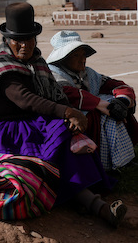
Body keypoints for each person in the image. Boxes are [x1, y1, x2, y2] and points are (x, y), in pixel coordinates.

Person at [0, 2, 127, 227]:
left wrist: (68, 114)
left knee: (63, 132)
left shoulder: (37, 62)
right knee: (49, 149)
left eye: (29, 39)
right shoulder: (1, 65)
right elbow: (26, 99)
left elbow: (54, 93)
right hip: (2, 130)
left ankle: (84, 193)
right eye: (18, 40)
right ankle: (94, 204)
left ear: (35, 39)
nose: (24, 45)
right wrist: (67, 111)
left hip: (32, 122)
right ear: (8, 41)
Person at [46, 30, 137, 170]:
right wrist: (101, 105)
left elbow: (118, 85)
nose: (82, 58)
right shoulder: (53, 74)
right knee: (95, 114)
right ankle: (100, 163)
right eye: (76, 55)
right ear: (63, 58)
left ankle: (124, 157)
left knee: (118, 106)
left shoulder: (88, 73)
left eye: (83, 54)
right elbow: (68, 94)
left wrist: (122, 102)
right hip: (65, 120)